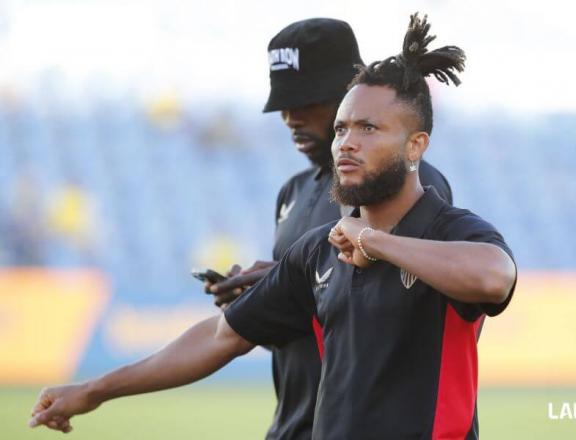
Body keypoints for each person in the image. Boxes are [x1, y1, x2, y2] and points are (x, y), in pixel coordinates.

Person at [29, 13, 516, 439]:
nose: (346, 141)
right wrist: (94, 390)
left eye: (368, 128)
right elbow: (223, 336)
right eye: (343, 128)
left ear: (415, 146)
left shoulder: (444, 226)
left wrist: (374, 241)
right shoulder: (316, 250)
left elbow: (494, 277)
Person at [206, 17, 452, 440]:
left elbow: (398, 312)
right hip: (294, 427)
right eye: (282, 105)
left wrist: (298, 282)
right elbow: (311, 329)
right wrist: (265, 298)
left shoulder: (405, 185)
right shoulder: (292, 193)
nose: (289, 118)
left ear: (349, 93)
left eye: (305, 102)